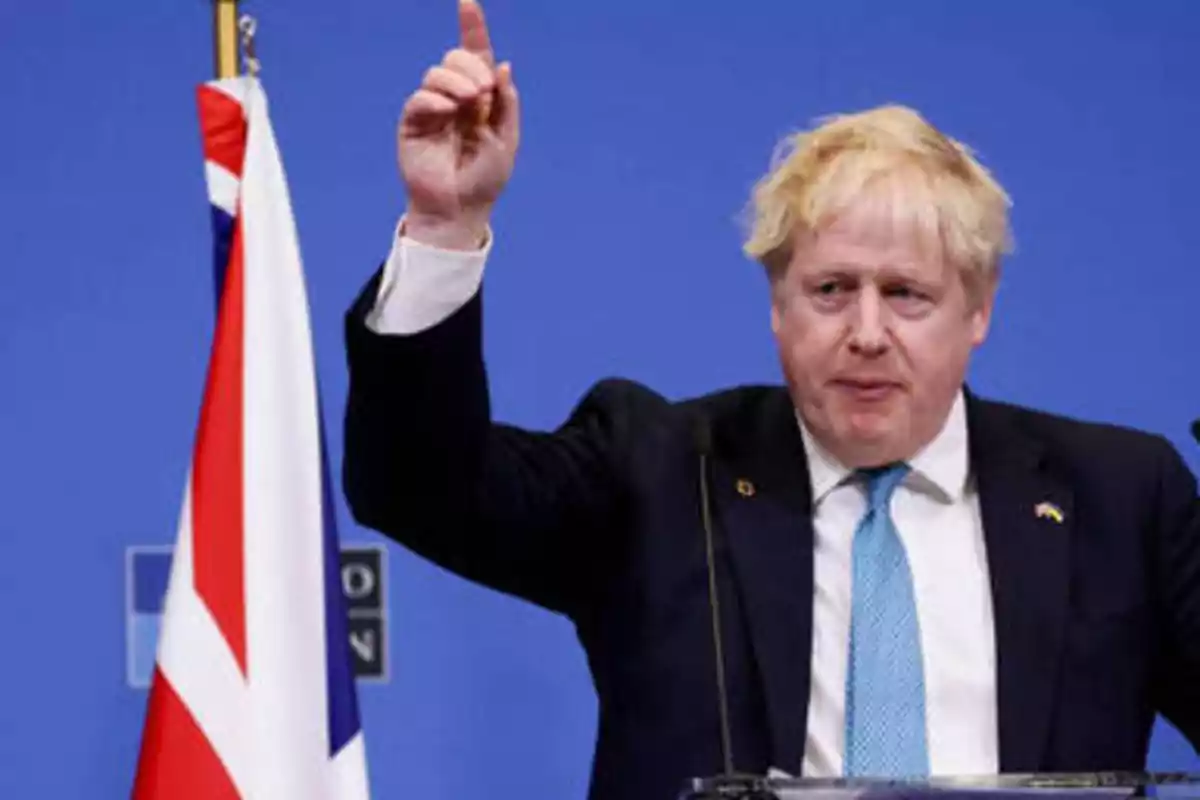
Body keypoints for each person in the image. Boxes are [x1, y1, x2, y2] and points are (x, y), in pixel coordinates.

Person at [341, 2, 1200, 798]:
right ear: (777, 305)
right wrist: (445, 228)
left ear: (978, 310)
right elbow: (418, 486)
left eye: (907, 294)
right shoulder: (661, 472)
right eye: (830, 290)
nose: (867, 332)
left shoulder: (1120, 497)